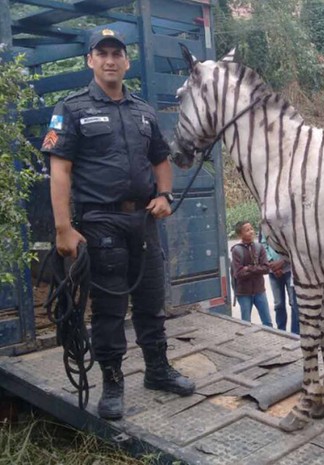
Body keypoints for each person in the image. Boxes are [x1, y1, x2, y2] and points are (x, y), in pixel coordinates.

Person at [42, 28, 195, 421]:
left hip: (142, 220)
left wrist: (164, 195)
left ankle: (158, 372)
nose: (110, 60)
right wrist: (63, 228)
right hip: (99, 221)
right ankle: (112, 383)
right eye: (102, 53)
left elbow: (161, 159)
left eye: (117, 54)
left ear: (127, 62)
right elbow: (59, 171)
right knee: (109, 308)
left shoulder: (143, 110)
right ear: (90, 61)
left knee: (150, 301)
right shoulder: (71, 108)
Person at [230, 221, 273, 327]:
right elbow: (238, 274)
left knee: (267, 322)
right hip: (243, 293)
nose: (251, 232)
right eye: (247, 230)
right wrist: (257, 269)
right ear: (240, 234)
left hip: (259, 291)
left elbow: (266, 269)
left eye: (251, 229)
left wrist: (248, 268)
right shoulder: (236, 250)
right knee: (246, 324)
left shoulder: (259, 247)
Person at [260, 234, 299, 334]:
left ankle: (295, 333)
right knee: (279, 304)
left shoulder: (287, 225)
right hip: (273, 272)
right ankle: (281, 331)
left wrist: (282, 262)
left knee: (293, 303)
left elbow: (294, 246)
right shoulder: (267, 226)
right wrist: (271, 262)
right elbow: (264, 245)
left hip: (289, 270)